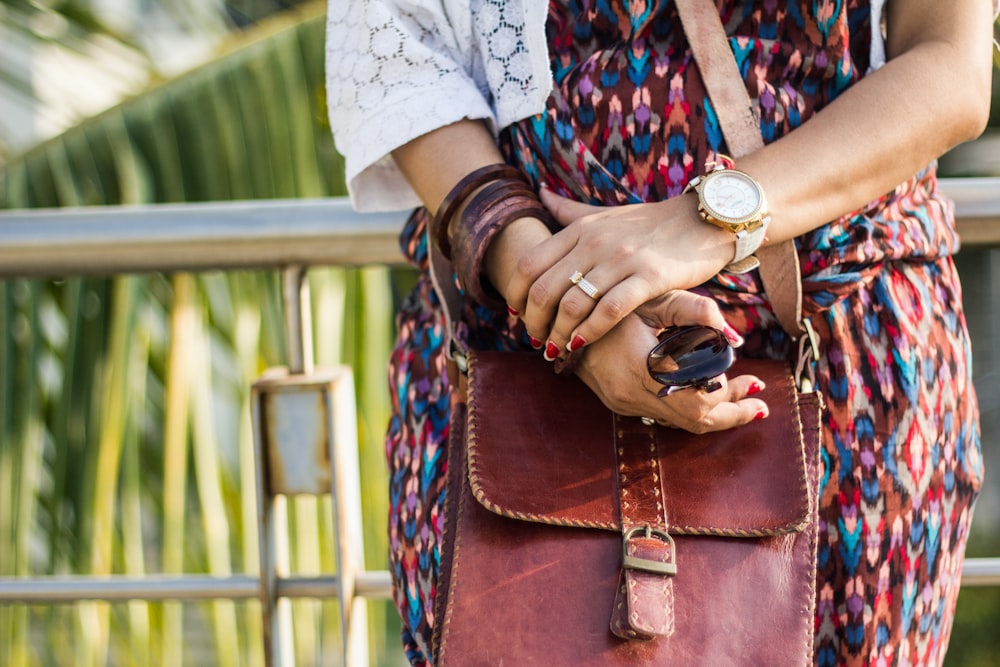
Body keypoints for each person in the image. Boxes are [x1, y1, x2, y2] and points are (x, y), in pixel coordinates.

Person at [326, 1, 995, 664]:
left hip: (842, 372)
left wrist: (702, 224)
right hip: (516, 357)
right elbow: (399, 51)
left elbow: (949, 66)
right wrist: (558, 296)